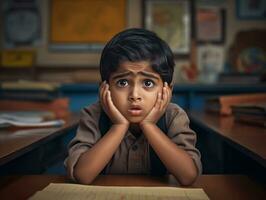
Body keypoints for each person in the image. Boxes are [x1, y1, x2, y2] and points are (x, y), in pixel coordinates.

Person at [65, 28, 202, 186]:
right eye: (122, 82)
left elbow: (188, 176)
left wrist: (149, 126)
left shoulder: (173, 116)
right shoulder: (94, 115)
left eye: (148, 83)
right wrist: (118, 126)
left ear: (167, 90)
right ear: (104, 88)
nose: (135, 95)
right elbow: (83, 175)